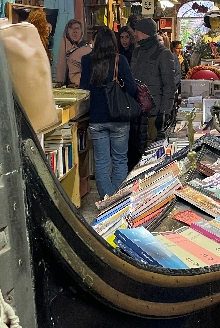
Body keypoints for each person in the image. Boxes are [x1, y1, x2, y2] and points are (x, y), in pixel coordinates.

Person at [80, 27, 138, 200]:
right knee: (120, 160)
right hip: (119, 118)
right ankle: (117, 201)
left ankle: (106, 199)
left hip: (97, 118)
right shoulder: (120, 60)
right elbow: (132, 88)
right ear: (113, 42)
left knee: (102, 162)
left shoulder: (86, 60)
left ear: (96, 42)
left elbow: (83, 88)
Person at [131, 17, 176, 145]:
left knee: (152, 149)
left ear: (144, 32)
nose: (134, 34)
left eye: (137, 31)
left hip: (154, 111)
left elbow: (169, 86)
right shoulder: (137, 52)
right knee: (138, 150)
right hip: (137, 110)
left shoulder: (163, 53)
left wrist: (164, 112)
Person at [55, 19, 91, 87]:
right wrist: (60, 82)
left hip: (82, 86)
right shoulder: (65, 46)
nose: (75, 31)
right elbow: (61, 65)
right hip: (67, 87)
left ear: (81, 31)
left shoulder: (87, 49)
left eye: (77, 29)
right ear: (67, 31)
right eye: (71, 29)